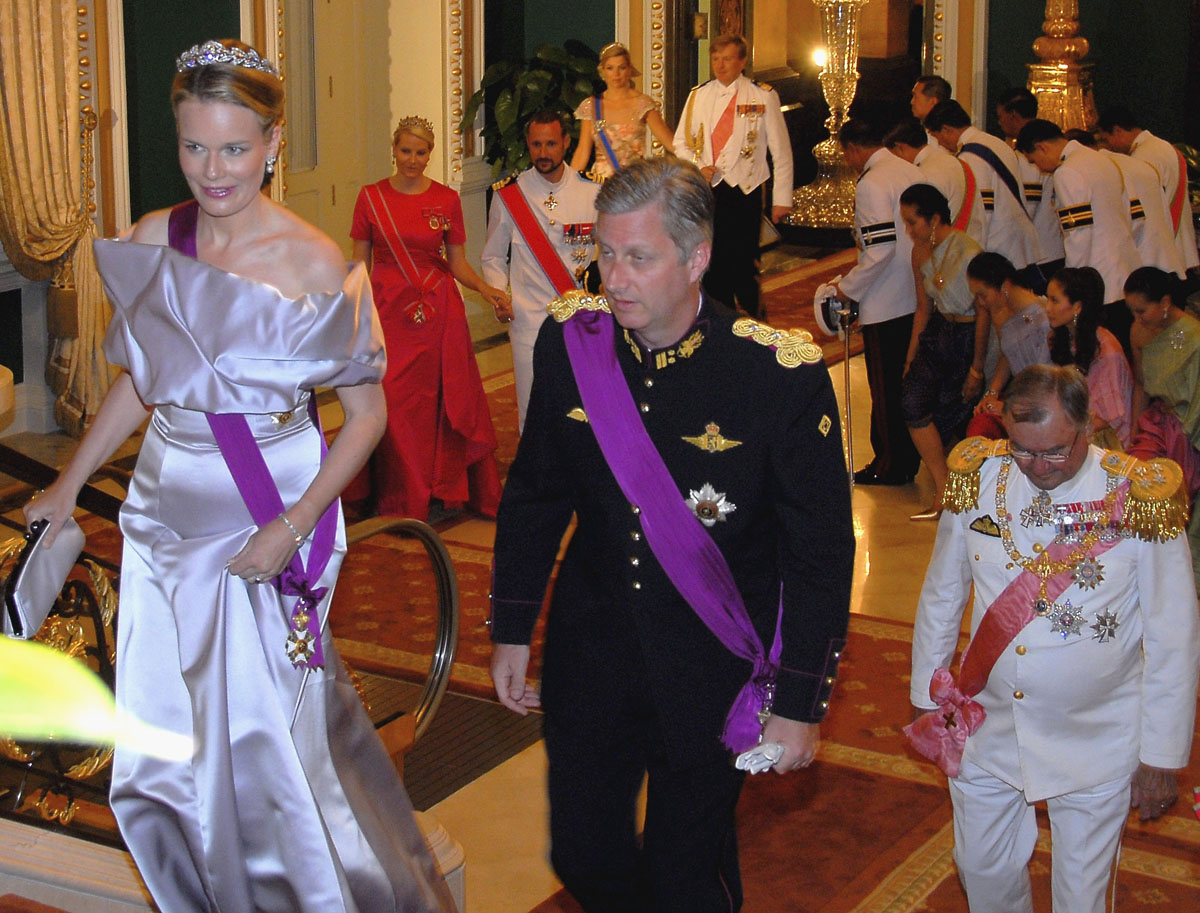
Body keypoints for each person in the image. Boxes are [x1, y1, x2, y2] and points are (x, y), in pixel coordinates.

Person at [22, 39, 454, 913]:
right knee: (171, 746)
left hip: (272, 514)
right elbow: (141, 383)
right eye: (193, 146)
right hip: (161, 519)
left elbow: (366, 418)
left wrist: (290, 525)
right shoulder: (155, 240)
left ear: (272, 142)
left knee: (269, 744)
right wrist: (68, 487)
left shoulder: (312, 263)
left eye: (233, 149)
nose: (211, 171)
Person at [489, 157, 854, 913]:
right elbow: (535, 491)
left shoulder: (775, 373)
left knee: (687, 876)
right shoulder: (572, 343)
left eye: (639, 257)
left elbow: (819, 553)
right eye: (606, 253)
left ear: (697, 258)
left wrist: (798, 702)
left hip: (711, 669)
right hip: (590, 655)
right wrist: (512, 626)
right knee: (583, 855)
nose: (614, 278)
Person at [908, 364, 1199, 913]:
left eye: (1056, 452)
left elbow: (1173, 636)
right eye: (1023, 451)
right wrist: (927, 694)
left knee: (1081, 898)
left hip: (1095, 739)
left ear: (1088, 425)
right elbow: (943, 592)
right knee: (980, 869)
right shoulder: (978, 480)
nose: (1039, 467)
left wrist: (1162, 754)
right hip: (985, 730)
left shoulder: (1139, 498)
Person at [350, 115, 505, 520]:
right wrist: (354, 313)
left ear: (430, 154)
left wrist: (486, 290)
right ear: (394, 150)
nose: (412, 159)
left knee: (439, 401)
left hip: (438, 314)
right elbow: (359, 266)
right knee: (395, 403)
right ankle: (400, 496)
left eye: (420, 153)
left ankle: (439, 488)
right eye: (406, 151)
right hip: (387, 312)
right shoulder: (370, 198)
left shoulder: (446, 199)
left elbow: (458, 264)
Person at [481, 110, 600, 430]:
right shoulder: (509, 194)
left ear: (566, 142)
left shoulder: (592, 192)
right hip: (529, 316)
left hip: (582, 318)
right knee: (533, 407)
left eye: (550, 144)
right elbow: (492, 257)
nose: (543, 153)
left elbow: (609, 253)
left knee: (581, 405)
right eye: (536, 144)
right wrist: (500, 295)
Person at [673, 33, 793, 318]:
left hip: (746, 192)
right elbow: (680, 142)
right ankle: (720, 324)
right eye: (716, 59)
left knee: (743, 264)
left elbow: (781, 151)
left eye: (727, 59)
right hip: (709, 191)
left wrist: (782, 199)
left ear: (742, 61)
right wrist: (696, 164)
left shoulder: (762, 95)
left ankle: (756, 325)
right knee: (713, 264)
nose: (720, 65)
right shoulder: (698, 95)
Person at [834, 117, 924, 485]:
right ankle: (904, 456)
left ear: (854, 149)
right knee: (904, 380)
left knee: (885, 388)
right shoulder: (908, 169)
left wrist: (848, 288)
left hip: (886, 297)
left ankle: (891, 462)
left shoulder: (872, 182)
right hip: (914, 289)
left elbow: (880, 248)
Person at [1016, 119, 1141, 359]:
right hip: (1125, 272)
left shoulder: (1068, 172)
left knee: (1101, 357)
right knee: (1124, 354)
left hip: (1099, 280)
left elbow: (1078, 235)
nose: (1040, 169)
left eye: (1034, 161)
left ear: (1042, 147)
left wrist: (1070, 285)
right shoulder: (1103, 160)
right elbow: (1129, 214)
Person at [898, 183, 986, 520]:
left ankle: (955, 494)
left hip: (967, 335)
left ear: (934, 219)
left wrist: (977, 367)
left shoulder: (967, 250)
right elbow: (923, 307)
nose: (908, 231)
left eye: (912, 222)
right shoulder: (919, 251)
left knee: (953, 410)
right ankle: (943, 484)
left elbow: (984, 313)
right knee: (912, 401)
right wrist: (910, 357)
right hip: (937, 334)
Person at [1125, 267, 1200, 582]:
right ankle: (1141, 566)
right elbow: (1140, 384)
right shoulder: (1139, 331)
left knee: (1179, 498)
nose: (1138, 317)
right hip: (1155, 422)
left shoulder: (1195, 336)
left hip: (1188, 426)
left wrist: (1185, 436)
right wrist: (1133, 431)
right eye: (1133, 311)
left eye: (1142, 310)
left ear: (1165, 302)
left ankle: (1178, 575)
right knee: (1136, 482)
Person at [925, 100, 1042, 282]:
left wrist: (973, 259)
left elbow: (981, 213)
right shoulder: (995, 142)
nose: (940, 144)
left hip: (998, 246)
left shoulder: (970, 156)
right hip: (1018, 239)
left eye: (938, 137)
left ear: (947, 129)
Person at [1096, 106, 1200, 278]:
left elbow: (1145, 209)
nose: (1109, 148)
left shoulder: (1143, 157)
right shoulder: (1162, 146)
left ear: (1117, 130)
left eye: (1107, 140)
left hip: (1163, 251)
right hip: (1178, 247)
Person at [965, 252, 1050, 439]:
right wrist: (992, 393)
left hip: (1046, 405)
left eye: (982, 295)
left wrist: (1010, 407)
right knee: (979, 426)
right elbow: (1008, 354)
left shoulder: (1043, 319)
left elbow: (1047, 381)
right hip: (1023, 398)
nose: (980, 303)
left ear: (1004, 287)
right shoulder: (1004, 313)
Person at [570, 42, 674, 180]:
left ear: (629, 70)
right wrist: (568, 185)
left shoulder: (642, 104)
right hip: (602, 185)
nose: (616, 74)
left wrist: (697, 164)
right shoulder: (592, 106)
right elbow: (583, 151)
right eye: (610, 68)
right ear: (602, 71)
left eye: (621, 68)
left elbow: (671, 143)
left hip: (634, 184)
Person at [995, 88, 1064, 291]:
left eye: (1001, 116)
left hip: (1040, 255)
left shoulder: (1027, 158)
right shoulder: (1048, 144)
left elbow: (1025, 209)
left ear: (1013, 116)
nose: (1000, 122)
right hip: (1054, 249)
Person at [884, 118, 986, 246]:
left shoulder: (924, 175)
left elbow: (928, 227)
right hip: (972, 246)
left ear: (900, 148)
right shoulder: (954, 161)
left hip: (950, 254)